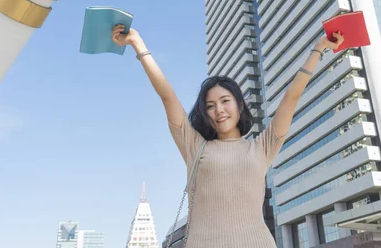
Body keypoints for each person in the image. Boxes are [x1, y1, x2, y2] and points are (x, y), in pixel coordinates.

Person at [112, 24, 344, 248]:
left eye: (225, 101)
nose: (219, 110)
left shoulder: (262, 147)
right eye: (210, 106)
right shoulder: (195, 146)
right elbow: (167, 96)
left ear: (240, 105)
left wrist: (318, 49)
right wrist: (137, 44)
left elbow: (291, 97)